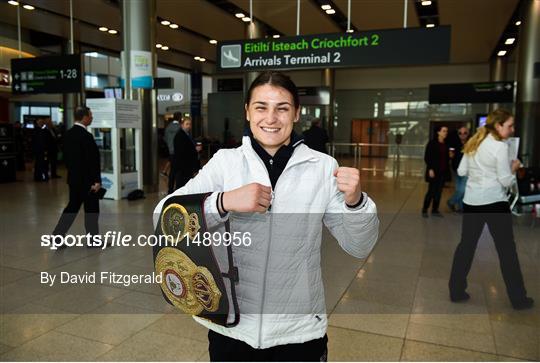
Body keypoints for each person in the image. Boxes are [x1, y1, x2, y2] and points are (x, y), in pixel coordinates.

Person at [153, 72, 379, 361]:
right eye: (261, 107)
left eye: (282, 108)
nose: (270, 118)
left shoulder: (322, 167)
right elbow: (163, 214)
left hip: (298, 331)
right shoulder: (225, 163)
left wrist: (355, 201)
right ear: (247, 111)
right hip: (232, 329)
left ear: (296, 113)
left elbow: (359, 246)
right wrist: (222, 201)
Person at [448, 109, 533, 310]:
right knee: (506, 251)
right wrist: (514, 168)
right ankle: (518, 299)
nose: (512, 129)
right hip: (495, 203)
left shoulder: (474, 142)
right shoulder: (500, 147)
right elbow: (504, 180)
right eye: (509, 125)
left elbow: (461, 171)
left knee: (466, 246)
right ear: (498, 126)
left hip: (472, 202)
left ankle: (456, 291)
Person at [52, 106, 101, 246]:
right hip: (88, 181)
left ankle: (57, 235)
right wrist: (96, 181)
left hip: (74, 179)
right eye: (90, 115)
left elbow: (68, 159)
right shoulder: (86, 136)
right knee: (91, 210)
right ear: (84, 117)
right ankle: (93, 240)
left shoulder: (68, 134)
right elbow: (91, 161)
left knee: (72, 208)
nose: (92, 118)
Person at [422, 125, 450, 217]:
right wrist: (430, 169)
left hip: (442, 172)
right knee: (431, 191)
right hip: (433, 171)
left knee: (439, 192)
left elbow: (445, 158)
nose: (445, 133)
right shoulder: (432, 143)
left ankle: (435, 210)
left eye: (446, 131)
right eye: (444, 131)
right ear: (438, 132)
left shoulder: (446, 144)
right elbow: (427, 157)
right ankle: (425, 209)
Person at [171, 116, 200, 192]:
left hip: (186, 166)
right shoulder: (180, 136)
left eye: (190, 124)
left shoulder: (186, 135)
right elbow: (182, 151)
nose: (189, 126)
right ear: (182, 125)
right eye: (187, 124)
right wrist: (195, 149)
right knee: (181, 185)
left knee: (185, 185)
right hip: (183, 167)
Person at [447, 125, 470, 212]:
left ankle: (451, 202)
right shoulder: (454, 142)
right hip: (456, 169)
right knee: (459, 189)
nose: (462, 135)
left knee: (462, 190)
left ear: (468, 133)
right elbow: (451, 152)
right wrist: (450, 154)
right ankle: (461, 208)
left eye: (465, 133)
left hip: (467, 170)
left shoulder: (471, 142)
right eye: (460, 133)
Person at [164, 113, 181, 193]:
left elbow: (165, 139)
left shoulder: (168, 127)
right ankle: (178, 189)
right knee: (178, 171)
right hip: (178, 152)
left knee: (172, 171)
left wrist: (170, 146)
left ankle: (170, 189)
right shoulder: (179, 128)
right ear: (180, 118)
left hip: (171, 151)